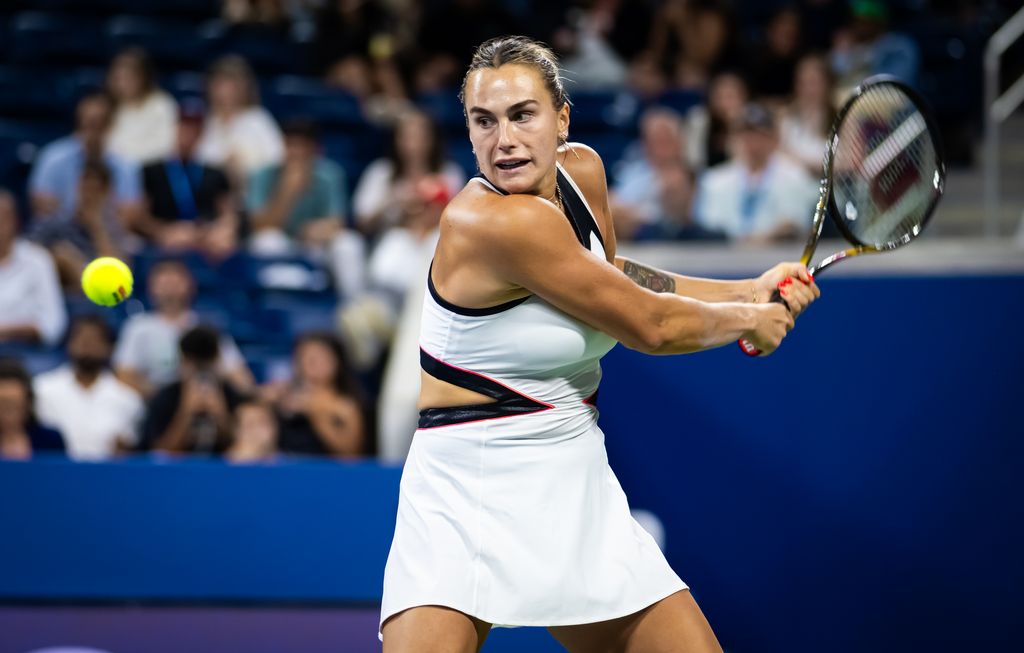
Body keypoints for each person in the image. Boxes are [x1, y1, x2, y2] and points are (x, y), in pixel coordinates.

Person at [380, 36, 819, 652]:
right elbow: (650, 325)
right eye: (484, 121)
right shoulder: (487, 221)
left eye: (522, 115)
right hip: (465, 482)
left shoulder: (580, 172)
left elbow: (611, 277)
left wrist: (747, 289)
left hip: (570, 471)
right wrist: (748, 321)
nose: (503, 139)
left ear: (562, 118)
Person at [246, 119, 366, 301]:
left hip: (316, 246)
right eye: (291, 146)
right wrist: (287, 192)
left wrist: (317, 230)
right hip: (282, 247)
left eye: (302, 146)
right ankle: (272, 305)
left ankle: (353, 305)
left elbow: (337, 222)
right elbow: (259, 225)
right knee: (267, 240)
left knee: (349, 244)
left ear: (313, 150)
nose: (296, 153)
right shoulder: (263, 175)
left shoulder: (330, 174)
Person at [113, 258, 252, 397]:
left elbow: (237, 373)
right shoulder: (139, 327)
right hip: (155, 401)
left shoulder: (206, 326)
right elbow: (124, 375)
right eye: (164, 282)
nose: (170, 288)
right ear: (151, 287)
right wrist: (164, 397)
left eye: (175, 282)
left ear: (190, 286)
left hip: (204, 395)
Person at [694, 103, 818, 243]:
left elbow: (794, 226)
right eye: (745, 136)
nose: (752, 143)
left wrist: (763, 238)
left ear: (774, 138)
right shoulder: (713, 181)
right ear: (733, 139)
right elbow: (708, 228)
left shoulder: (796, 177)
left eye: (759, 136)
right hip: (722, 260)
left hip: (779, 258)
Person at [34, 315, 144, 461]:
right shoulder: (41, 389)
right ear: (69, 344)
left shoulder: (128, 399)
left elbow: (130, 449)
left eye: (95, 340)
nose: (87, 345)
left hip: (105, 477)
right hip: (53, 475)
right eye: (81, 338)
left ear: (109, 348)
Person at [28, 92, 144, 230]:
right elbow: (41, 205)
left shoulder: (126, 165)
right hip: (60, 235)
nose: (92, 131)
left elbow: (129, 216)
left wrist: (96, 223)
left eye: (99, 124)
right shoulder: (53, 157)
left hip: (109, 236)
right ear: (79, 122)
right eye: (88, 123)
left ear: (110, 125)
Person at [140, 101, 239, 257]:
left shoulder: (215, 172)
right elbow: (138, 215)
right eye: (184, 127)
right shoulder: (152, 170)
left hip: (206, 233)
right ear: (175, 129)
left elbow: (228, 213)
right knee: (173, 243)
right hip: (167, 234)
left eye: (194, 129)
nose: (188, 133)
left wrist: (218, 231)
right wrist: (163, 231)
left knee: (224, 244)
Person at [611, 107, 723, 241]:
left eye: (666, 139)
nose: (661, 147)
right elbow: (613, 205)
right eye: (655, 139)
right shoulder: (633, 172)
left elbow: (680, 221)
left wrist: (634, 216)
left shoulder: (690, 175)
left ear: (679, 142)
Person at [352, 109, 465, 236]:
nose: (414, 145)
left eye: (421, 137)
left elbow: (459, 220)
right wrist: (392, 201)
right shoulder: (380, 172)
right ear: (396, 140)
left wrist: (432, 205)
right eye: (407, 137)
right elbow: (363, 223)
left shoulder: (449, 172)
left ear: (433, 139)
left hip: (436, 238)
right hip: (392, 239)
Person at [139, 325, 244, 454]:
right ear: (183, 362)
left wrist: (220, 415)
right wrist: (186, 412)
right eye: (195, 365)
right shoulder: (164, 398)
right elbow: (159, 454)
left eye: (206, 364)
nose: (201, 372)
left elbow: (243, 452)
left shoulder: (232, 395)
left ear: (217, 361)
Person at [261, 332, 365, 457]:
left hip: (324, 471)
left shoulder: (346, 405)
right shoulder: (282, 394)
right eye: (304, 357)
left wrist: (316, 413)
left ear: (336, 361)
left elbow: (350, 454)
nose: (311, 364)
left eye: (318, 357)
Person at [32, 160, 130, 288]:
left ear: (106, 194)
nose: (88, 196)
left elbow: (117, 281)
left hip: (101, 298)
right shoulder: (54, 223)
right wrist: (56, 257)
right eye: (85, 188)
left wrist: (96, 227)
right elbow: (25, 254)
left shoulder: (115, 230)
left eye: (95, 191)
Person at [195, 56, 284, 184]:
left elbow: (277, 161)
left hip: (252, 190)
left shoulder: (258, 119)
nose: (226, 91)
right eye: (220, 84)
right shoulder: (203, 120)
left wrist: (242, 167)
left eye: (232, 85)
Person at [0, 190, 67, 347]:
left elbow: (53, 325)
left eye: (3, 219)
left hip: (25, 352)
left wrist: (8, 331)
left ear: (16, 222)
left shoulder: (38, 260)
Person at [106, 47, 179, 165]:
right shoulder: (110, 107)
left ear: (143, 77)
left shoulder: (162, 104)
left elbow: (167, 145)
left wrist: (130, 163)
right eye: (119, 79)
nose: (123, 84)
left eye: (129, 78)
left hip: (152, 172)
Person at [779, 53, 838, 176]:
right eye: (803, 83)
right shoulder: (784, 116)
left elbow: (853, 163)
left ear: (828, 85)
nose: (808, 89)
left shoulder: (842, 118)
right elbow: (776, 155)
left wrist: (808, 166)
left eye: (814, 82)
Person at [0, 358, 65, 460]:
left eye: (14, 406)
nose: (8, 414)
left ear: (28, 403)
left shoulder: (50, 439)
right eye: (3, 405)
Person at [225, 397, 280, 463]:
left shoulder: (289, 464)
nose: (257, 430)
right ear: (236, 432)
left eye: (263, 422)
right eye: (250, 425)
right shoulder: (218, 466)